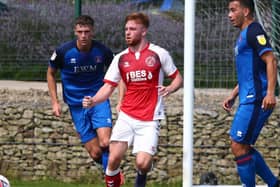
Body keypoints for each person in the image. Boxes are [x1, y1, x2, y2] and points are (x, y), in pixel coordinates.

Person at [82, 12, 183, 187]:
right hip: (127, 116)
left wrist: (170, 88)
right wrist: (93, 100)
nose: (127, 32)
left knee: (142, 163)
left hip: (150, 118)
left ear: (144, 31)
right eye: (126, 29)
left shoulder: (159, 54)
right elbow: (108, 87)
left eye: (132, 29)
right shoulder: (120, 58)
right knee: (113, 159)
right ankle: (115, 180)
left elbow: (178, 78)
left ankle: (140, 180)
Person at [47, 15, 114, 173]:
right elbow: (50, 74)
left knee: (105, 143)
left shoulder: (102, 51)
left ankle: (112, 179)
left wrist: (122, 98)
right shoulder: (63, 52)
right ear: (75, 32)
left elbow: (118, 71)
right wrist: (55, 102)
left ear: (92, 32)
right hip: (76, 105)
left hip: (98, 101)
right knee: (96, 152)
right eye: (80, 32)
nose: (83, 35)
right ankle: (111, 171)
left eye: (87, 31)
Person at [223, 0, 279, 187]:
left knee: (238, 145)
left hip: (257, 99)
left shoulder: (255, 30)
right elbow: (250, 72)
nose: (229, 15)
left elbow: (271, 60)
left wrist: (270, 93)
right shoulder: (243, 36)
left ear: (246, 11)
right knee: (242, 146)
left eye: (233, 10)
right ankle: (273, 183)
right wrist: (233, 94)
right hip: (248, 98)